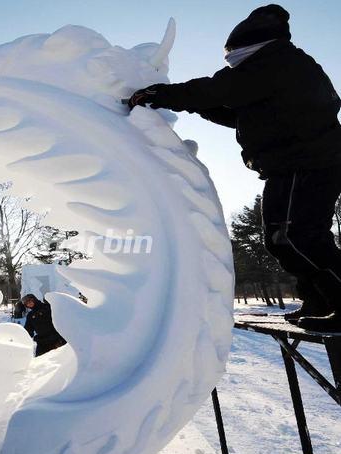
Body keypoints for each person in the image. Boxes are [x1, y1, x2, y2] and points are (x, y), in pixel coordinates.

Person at [128, 4, 341, 332]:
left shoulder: (277, 62)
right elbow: (247, 117)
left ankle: (336, 300)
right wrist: (200, 109)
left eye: (235, 59)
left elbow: (217, 89)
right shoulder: (282, 70)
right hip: (296, 166)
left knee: (296, 235)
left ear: (251, 47)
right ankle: (320, 301)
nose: (233, 66)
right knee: (279, 239)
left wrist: (160, 95)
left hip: (308, 164)